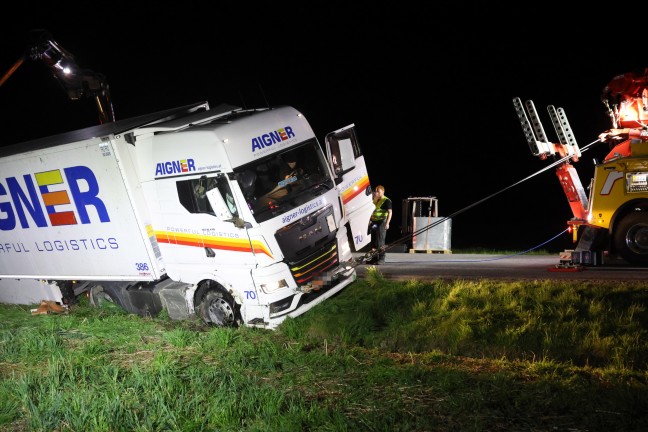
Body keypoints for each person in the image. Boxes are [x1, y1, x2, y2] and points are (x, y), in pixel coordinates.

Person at [368, 185, 392, 264]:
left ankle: (382, 259)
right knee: (373, 241)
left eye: (379, 191)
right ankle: (374, 258)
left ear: (383, 192)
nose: (376, 193)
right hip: (374, 223)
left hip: (381, 222)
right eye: (376, 191)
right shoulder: (375, 200)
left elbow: (390, 212)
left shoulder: (386, 200)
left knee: (380, 241)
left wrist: (387, 223)